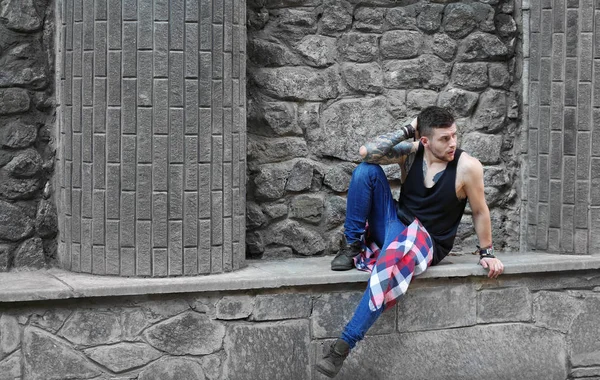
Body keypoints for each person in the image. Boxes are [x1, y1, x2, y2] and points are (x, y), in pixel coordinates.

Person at [315, 106, 504, 378]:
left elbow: (479, 210)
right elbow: (367, 152)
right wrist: (407, 129)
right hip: (397, 222)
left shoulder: (467, 167)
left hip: (426, 240)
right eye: (444, 138)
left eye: (454, 135)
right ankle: (352, 244)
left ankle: (342, 347)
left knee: (389, 261)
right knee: (365, 171)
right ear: (425, 140)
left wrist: (487, 251)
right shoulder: (412, 153)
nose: (452, 143)